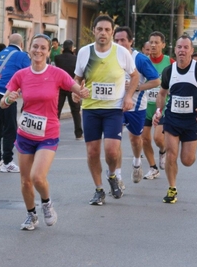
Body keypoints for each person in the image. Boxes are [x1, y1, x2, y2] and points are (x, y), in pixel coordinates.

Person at [0, 34, 89, 230]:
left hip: (48, 133)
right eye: (35, 47)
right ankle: (31, 215)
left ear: (49, 52)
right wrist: (9, 99)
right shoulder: (20, 75)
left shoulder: (56, 73)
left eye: (43, 48)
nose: (38, 51)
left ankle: (47, 203)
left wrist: (80, 93)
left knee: (37, 177)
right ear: (29, 49)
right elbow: (2, 102)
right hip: (25, 133)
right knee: (25, 181)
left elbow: (75, 89)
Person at [73, 15, 139, 205]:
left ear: (111, 32)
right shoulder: (85, 52)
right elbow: (77, 79)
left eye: (107, 30)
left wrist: (128, 97)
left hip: (113, 109)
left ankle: (112, 175)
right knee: (93, 152)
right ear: (94, 31)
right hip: (91, 108)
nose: (103, 33)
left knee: (111, 151)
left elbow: (134, 76)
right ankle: (99, 189)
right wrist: (76, 92)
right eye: (99, 29)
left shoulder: (121, 52)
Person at [153, 35, 197, 204]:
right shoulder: (169, 71)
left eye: (185, 47)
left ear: (191, 50)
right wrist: (158, 111)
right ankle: (172, 188)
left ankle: (188, 153)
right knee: (171, 154)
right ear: (175, 50)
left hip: (192, 121)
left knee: (187, 160)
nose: (182, 50)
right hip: (172, 118)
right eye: (179, 47)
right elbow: (161, 93)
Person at [113, 26, 160, 185]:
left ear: (131, 41)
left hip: (136, 106)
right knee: (115, 142)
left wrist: (137, 87)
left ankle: (136, 162)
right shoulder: (110, 56)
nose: (119, 43)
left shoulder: (139, 59)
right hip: (115, 106)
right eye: (117, 40)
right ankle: (118, 178)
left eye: (123, 40)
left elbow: (156, 80)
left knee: (135, 140)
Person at [0, 33, 30, 172]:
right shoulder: (21, 56)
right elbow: (29, 74)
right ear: (22, 44)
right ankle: (8, 162)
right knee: (10, 129)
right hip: (7, 95)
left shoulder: (1, 53)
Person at [142, 31, 175, 180]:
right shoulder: (142, 61)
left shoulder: (170, 62)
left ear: (163, 44)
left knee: (158, 138)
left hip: (163, 107)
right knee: (144, 138)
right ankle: (153, 167)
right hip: (144, 105)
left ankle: (162, 150)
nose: (153, 45)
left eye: (156, 42)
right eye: (151, 42)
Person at [54, 39, 83, 140]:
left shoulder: (57, 58)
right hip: (72, 86)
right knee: (75, 111)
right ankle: (78, 134)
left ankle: (53, 132)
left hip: (60, 86)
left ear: (63, 48)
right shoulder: (76, 59)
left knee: (57, 110)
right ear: (72, 48)